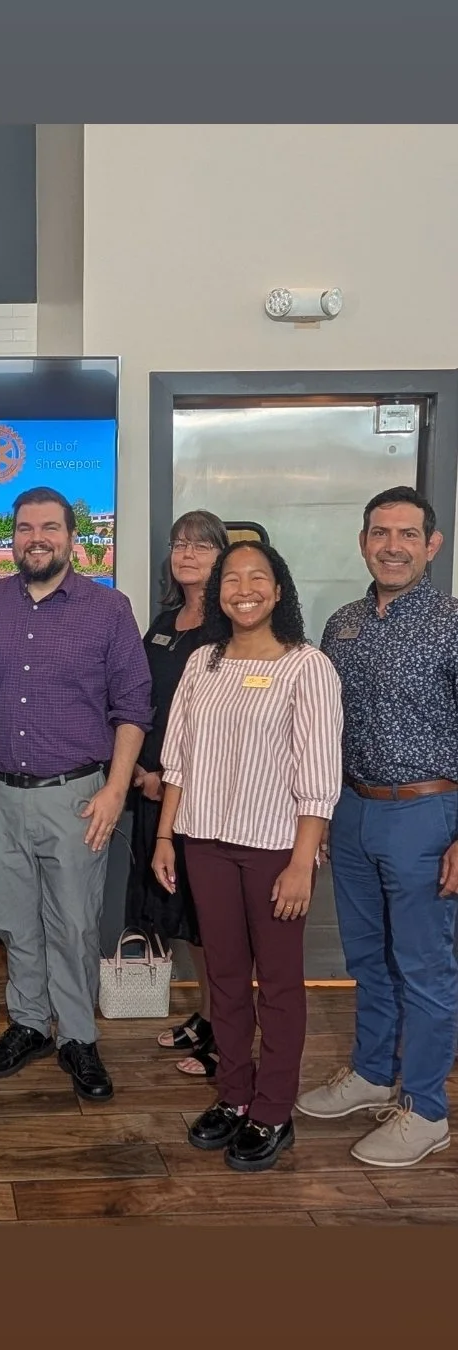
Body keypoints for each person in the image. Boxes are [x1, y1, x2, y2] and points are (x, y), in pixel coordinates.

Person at [153, 541, 343, 1171]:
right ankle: (235, 1096)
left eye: (257, 577)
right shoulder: (203, 662)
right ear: (218, 591)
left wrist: (301, 861)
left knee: (280, 986)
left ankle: (273, 1109)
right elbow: (175, 758)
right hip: (204, 843)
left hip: (274, 851)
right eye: (231, 577)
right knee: (226, 980)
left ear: (279, 590)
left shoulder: (306, 667)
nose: (243, 588)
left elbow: (320, 775)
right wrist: (164, 836)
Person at [0, 486, 152, 1102]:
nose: (37, 538)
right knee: (16, 924)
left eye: (50, 528)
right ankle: (28, 1023)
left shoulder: (109, 610)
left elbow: (133, 710)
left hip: (78, 797)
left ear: (73, 539)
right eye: (26, 528)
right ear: (13, 536)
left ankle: (78, 1036)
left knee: (74, 926)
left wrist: (115, 792)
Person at [296, 486, 458, 1168]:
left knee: (425, 967)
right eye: (379, 532)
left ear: (431, 545)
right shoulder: (342, 624)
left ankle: (425, 1109)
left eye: (406, 534)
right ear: (363, 541)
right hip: (354, 809)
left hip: (427, 811)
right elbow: (330, 726)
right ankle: (371, 1073)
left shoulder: (452, 624)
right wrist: (326, 808)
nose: (392, 545)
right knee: (367, 959)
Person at [126, 510, 229, 1078]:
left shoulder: (230, 626)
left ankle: (228, 1029)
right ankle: (208, 1015)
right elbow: (143, 699)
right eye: (179, 544)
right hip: (152, 786)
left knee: (213, 919)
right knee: (185, 916)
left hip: (200, 796)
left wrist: (170, 777)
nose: (186, 553)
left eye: (202, 545)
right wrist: (142, 770)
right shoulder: (165, 621)